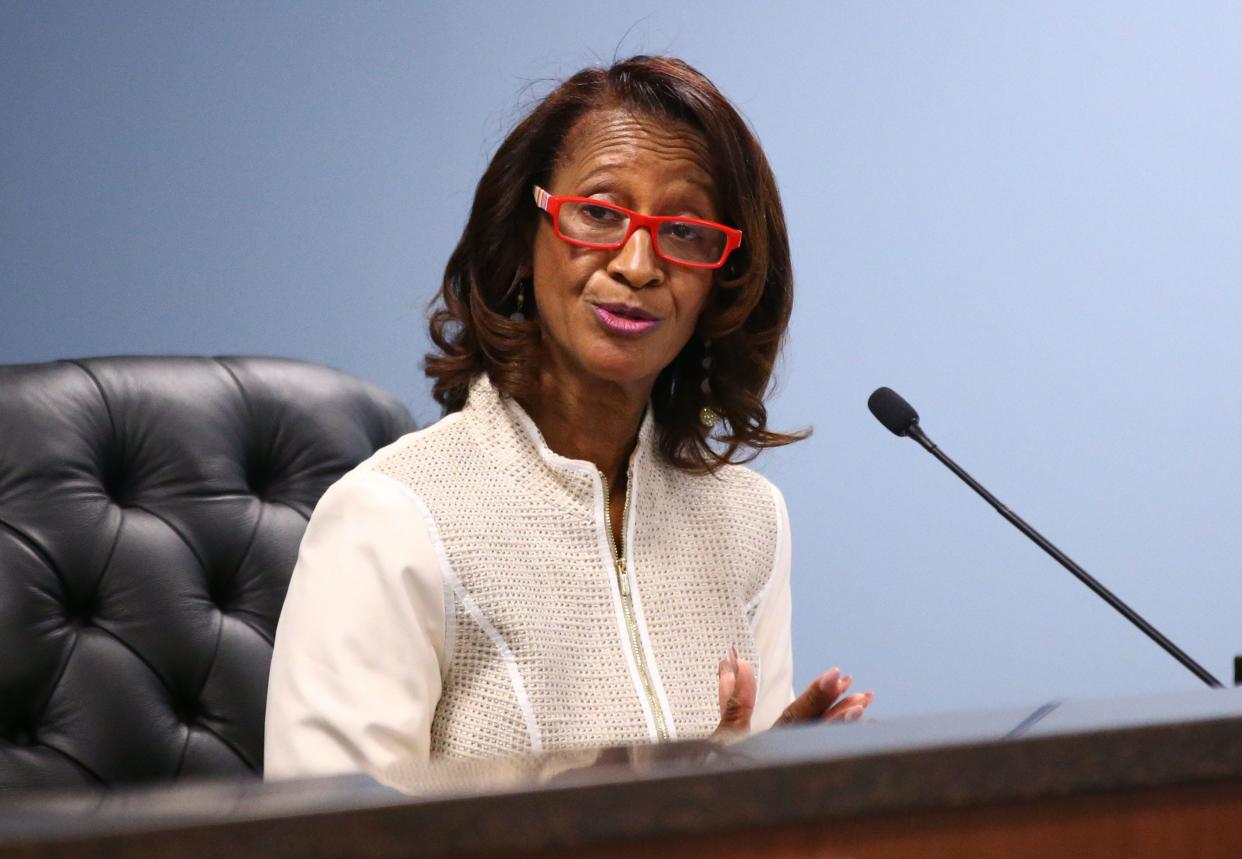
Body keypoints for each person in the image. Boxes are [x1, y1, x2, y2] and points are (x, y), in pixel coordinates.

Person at [264, 55, 872, 780]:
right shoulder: (391, 519)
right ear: (526, 237)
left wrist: (760, 794)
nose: (639, 263)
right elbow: (326, 841)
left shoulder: (749, 521)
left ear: (721, 278)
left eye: (683, 230)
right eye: (600, 214)